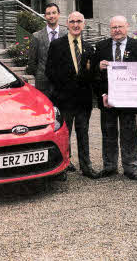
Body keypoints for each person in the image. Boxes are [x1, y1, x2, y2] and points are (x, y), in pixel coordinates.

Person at [46, 12, 99, 178]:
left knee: (83, 134)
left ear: (83, 24)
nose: (76, 25)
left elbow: (92, 75)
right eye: (72, 22)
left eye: (79, 22)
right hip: (64, 100)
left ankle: (86, 166)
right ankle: (63, 166)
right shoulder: (56, 45)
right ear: (67, 24)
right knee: (64, 135)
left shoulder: (89, 48)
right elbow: (49, 71)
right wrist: (64, 90)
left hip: (83, 101)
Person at [93, 16, 137, 180]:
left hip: (129, 100)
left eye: (120, 26)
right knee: (108, 133)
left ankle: (130, 167)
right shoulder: (101, 46)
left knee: (129, 132)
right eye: (114, 27)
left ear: (127, 27)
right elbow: (94, 75)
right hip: (108, 100)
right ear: (110, 29)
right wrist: (98, 69)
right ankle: (109, 166)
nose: (117, 30)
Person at [26, 3, 67, 98]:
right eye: (48, 13)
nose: (51, 16)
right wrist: (40, 75)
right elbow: (32, 62)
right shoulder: (36, 36)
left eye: (54, 13)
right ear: (45, 16)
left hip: (63, 83)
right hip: (43, 85)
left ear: (59, 14)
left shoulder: (67, 34)